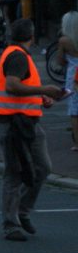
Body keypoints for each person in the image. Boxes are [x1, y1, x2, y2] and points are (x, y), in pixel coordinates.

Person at [0, 19, 65, 241]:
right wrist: (45, 89)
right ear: (32, 37)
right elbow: (12, 86)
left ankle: (20, 212)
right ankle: (11, 223)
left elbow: (19, 88)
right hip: (13, 124)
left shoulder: (16, 54)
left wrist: (40, 97)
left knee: (42, 167)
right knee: (15, 173)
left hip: (26, 123)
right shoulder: (17, 56)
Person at [54, 11, 78, 152]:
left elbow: (60, 61)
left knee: (75, 110)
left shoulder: (64, 41)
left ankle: (77, 142)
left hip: (74, 76)